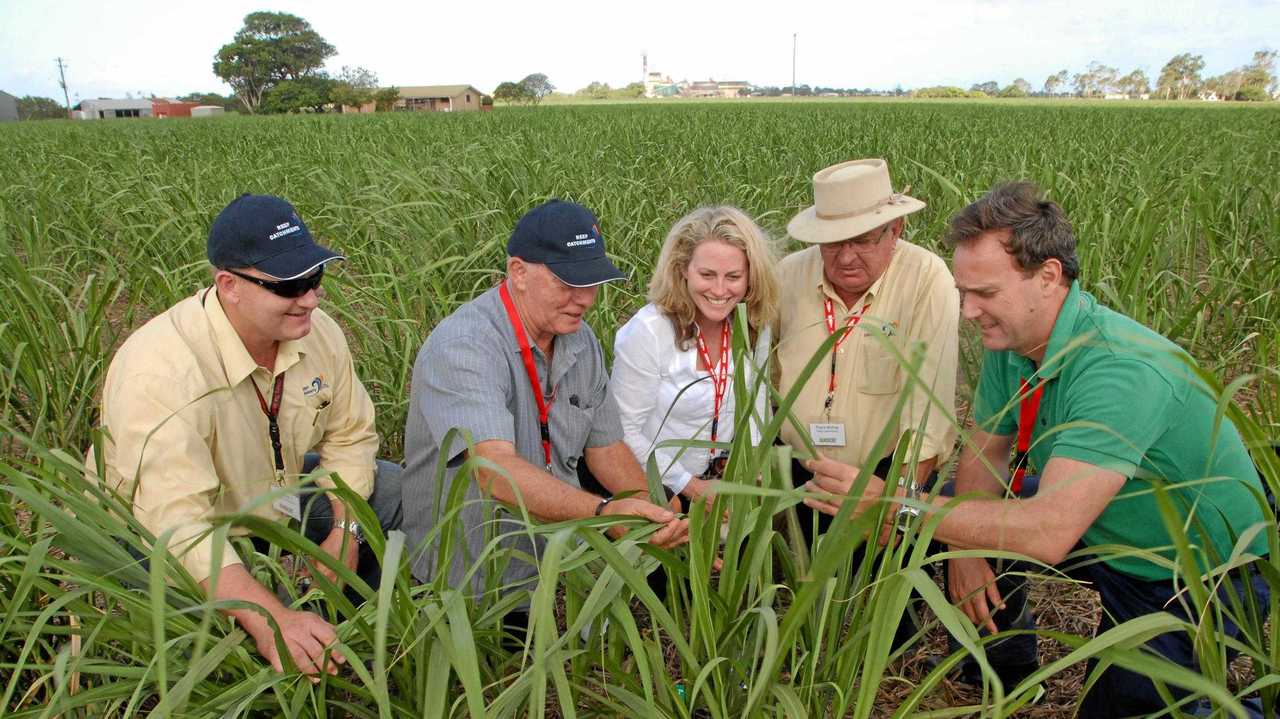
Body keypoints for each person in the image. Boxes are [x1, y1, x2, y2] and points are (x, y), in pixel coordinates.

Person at [803, 182, 1272, 717]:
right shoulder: (1016, 341)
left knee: (1130, 709)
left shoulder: (1120, 370)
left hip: (1189, 569)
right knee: (958, 505)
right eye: (962, 292)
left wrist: (897, 508)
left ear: (1048, 276)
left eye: (985, 293)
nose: (968, 311)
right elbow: (983, 458)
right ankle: (1004, 679)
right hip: (1102, 522)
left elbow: (1049, 533)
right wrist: (970, 550)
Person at [88, 193, 403, 679]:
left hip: (273, 498)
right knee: (210, 627)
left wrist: (346, 531)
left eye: (316, 278)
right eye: (290, 285)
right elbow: (177, 524)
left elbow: (350, 438)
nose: (311, 299)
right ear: (229, 286)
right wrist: (270, 618)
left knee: (398, 489)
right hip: (157, 530)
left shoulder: (319, 334)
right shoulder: (160, 372)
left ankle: (352, 639)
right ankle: (263, 650)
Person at [400, 199, 690, 631]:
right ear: (518, 272)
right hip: (476, 569)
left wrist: (649, 511)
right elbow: (493, 470)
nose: (585, 299)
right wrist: (603, 513)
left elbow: (606, 446)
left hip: (557, 549)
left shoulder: (578, 339)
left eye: (593, 283)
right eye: (567, 282)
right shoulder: (464, 348)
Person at [776, 158, 959, 543]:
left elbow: (929, 409)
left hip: (885, 476)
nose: (845, 258)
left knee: (882, 591)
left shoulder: (926, 279)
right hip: (800, 473)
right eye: (832, 242)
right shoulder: (788, 276)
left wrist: (896, 505)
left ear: (895, 230)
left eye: (860, 240)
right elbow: (762, 379)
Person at [611, 206, 779, 505]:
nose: (719, 289)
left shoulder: (754, 325)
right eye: (707, 274)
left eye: (734, 276)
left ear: (751, 277)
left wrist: (747, 466)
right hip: (661, 487)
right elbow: (625, 429)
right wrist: (687, 484)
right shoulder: (649, 331)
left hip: (727, 484)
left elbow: (758, 404)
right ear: (682, 270)